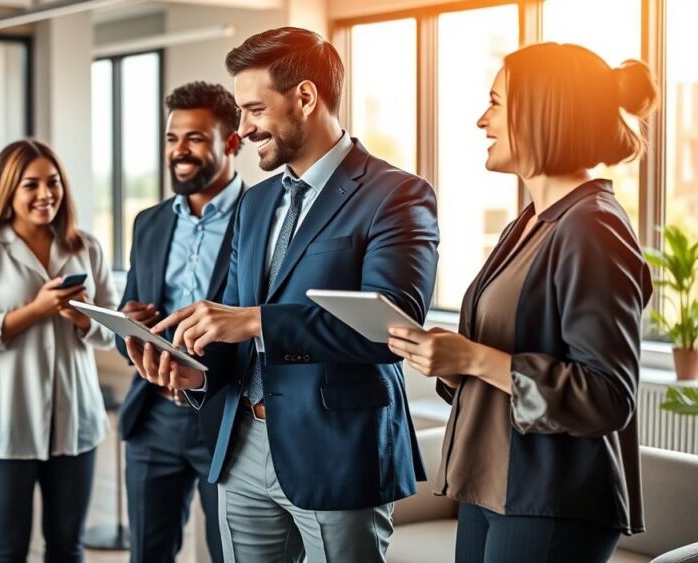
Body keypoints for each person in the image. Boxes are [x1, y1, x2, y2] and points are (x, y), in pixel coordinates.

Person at [128, 27, 440, 562]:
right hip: (243, 443)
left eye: (253, 110)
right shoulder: (257, 202)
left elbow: (395, 328)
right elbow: (232, 323)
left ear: (305, 97)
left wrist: (256, 321)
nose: (244, 129)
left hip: (338, 450)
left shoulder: (397, 195)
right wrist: (195, 372)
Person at [386, 43, 656, 563]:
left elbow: (606, 395)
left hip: (552, 499)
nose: (481, 119)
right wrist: (450, 357)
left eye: (496, 103)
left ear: (540, 113)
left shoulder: (592, 227)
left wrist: (471, 358)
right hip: (492, 485)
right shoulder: (530, 221)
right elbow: (505, 351)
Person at [0, 139, 118, 563]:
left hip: (74, 420)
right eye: (31, 185)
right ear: (8, 190)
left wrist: (81, 318)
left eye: (53, 182)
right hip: (3, 420)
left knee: (67, 547)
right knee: (7, 548)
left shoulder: (87, 247)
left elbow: (111, 331)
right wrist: (35, 310)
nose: (46, 194)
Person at [117, 81, 244, 563]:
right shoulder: (148, 222)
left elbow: (263, 324)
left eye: (195, 138)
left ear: (231, 142)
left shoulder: (262, 218)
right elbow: (131, 309)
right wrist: (128, 324)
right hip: (153, 419)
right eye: (172, 139)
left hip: (228, 419)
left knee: (230, 554)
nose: (180, 151)